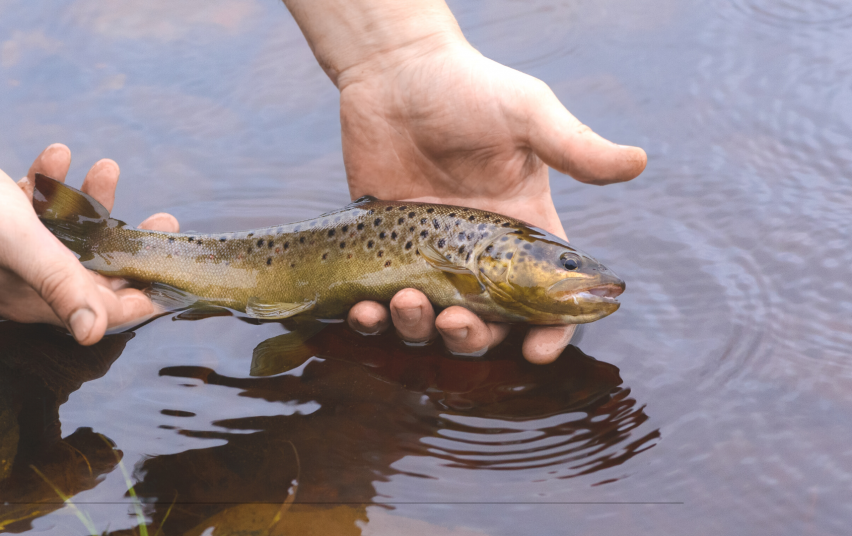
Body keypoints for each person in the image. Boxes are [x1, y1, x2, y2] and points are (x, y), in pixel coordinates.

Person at [0, 0, 646, 364]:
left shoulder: (481, 253)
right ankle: (97, 245)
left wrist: (403, 54)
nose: (584, 276)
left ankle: (94, 244)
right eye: (564, 263)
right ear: (493, 260)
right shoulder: (472, 254)